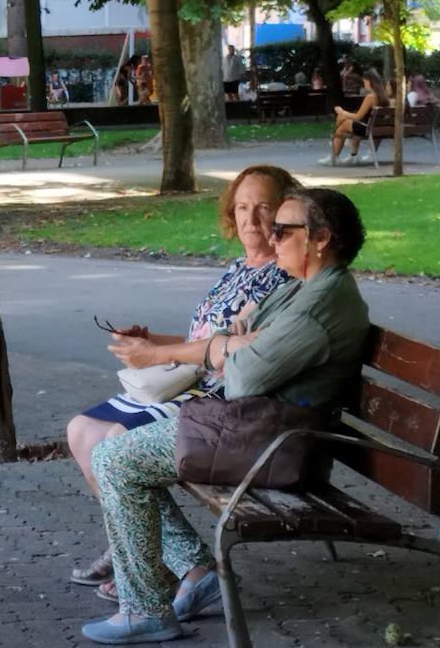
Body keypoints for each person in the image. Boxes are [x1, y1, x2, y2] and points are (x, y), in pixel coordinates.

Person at [81, 187, 370, 644]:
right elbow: (242, 333)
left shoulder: (318, 305)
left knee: (114, 459)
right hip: (260, 427)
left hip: (271, 440)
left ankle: (146, 609)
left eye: (283, 230)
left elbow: (243, 379)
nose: (271, 238)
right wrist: (234, 344)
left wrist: (232, 347)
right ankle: (190, 575)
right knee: (118, 453)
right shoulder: (305, 287)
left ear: (321, 239)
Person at [66, 165, 298, 598]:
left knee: (116, 443)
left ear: (285, 213)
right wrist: (153, 340)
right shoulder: (240, 267)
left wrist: (157, 355)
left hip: (221, 395)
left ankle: (163, 560)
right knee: (81, 430)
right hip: (190, 381)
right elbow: (202, 340)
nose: (250, 219)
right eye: (242, 207)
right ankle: (140, 546)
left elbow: (229, 350)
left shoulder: (283, 278)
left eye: (263, 208)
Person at [322, 66, 388, 166]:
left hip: (366, 129)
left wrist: (342, 111)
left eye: (365, 82)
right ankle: (349, 152)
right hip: (377, 128)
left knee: (341, 124)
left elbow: (358, 116)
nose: (364, 84)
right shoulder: (384, 96)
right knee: (342, 119)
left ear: (369, 82)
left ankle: (334, 154)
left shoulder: (371, 97)